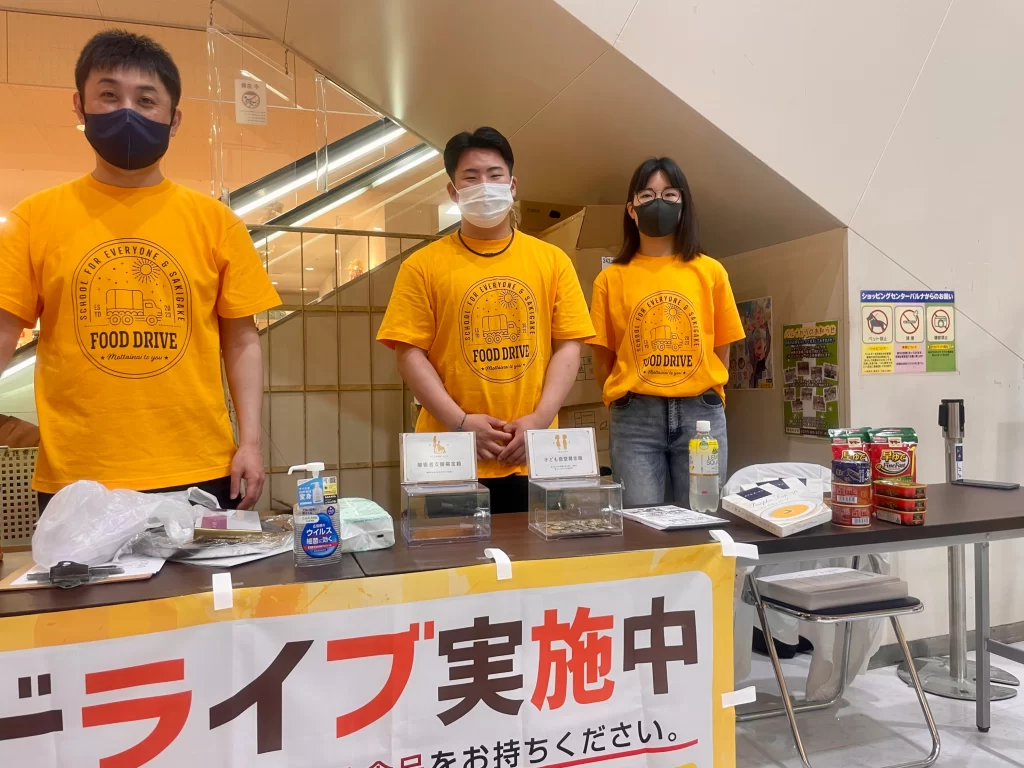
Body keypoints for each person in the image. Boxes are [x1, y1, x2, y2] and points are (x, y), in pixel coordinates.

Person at [0, 30, 280, 510]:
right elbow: (4, 330)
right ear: (80, 106)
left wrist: (250, 443)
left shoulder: (216, 223)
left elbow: (241, 340)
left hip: (199, 469)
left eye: (146, 100)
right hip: (78, 478)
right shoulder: (34, 219)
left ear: (174, 119)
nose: (127, 112)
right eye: (109, 95)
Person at [376, 127, 594, 513]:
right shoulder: (422, 266)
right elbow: (409, 355)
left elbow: (569, 347)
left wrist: (539, 420)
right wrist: (461, 423)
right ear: (452, 191)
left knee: (537, 553)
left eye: (494, 175)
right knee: (452, 553)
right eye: (471, 177)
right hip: (450, 458)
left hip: (536, 455)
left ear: (512, 186)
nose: (484, 186)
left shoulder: (552, 261)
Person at [589, 157, 745, 507]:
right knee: (642, 527)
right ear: (631, 209)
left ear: (683, 204)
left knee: (702, 520)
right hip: (634, 418)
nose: (658, 203)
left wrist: (705, 391)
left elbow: (722, 350)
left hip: (701, 415)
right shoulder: (610, 279)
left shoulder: (711, 272)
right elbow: (602, 360)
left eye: (669, 194)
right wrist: (626, 398)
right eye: (647, 195)